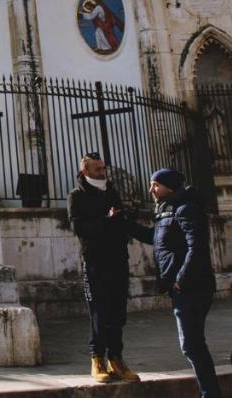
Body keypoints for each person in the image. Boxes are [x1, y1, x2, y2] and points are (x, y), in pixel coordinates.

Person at [132, 168, 220, 398]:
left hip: (192, 287)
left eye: (156, 184)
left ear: (169, 186)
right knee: (193, 345)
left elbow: (196, 247)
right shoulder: (166, 210)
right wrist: (126, 223)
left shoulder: (186, 209)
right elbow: (156, 239)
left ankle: (210, 393)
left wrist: (180, 279)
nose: (151, 189)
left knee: (192, 345)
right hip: (181, 287)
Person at [67, 151, 141, 383]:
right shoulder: (76, 196)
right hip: (95, 260)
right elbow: (80, 228)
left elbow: (119, 222)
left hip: (117, 258)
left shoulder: (111, 192)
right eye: (97, 169)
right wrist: (107, 221)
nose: (102, 172)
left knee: (118, 311)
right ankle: (97, 357)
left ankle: (116, 358)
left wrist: (124, 217)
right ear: (85, 171)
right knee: (99, 311)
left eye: (103, 168)